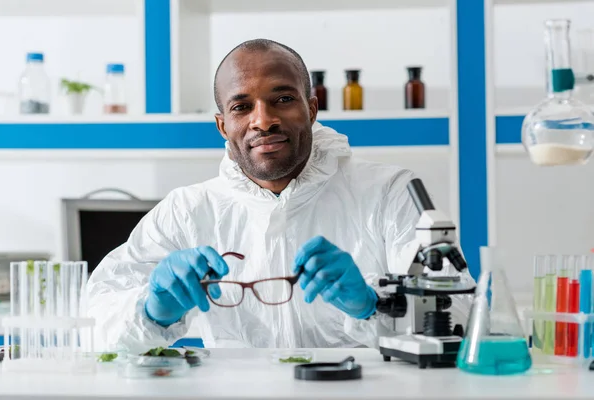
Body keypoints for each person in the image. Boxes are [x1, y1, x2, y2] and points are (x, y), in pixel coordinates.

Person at [86, 38, 474, 353]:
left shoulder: (389, 192)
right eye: (241, 106)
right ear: (223, 125)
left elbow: (460, 316)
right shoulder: (187, 211)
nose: (263, 120)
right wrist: (153, 311)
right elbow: (93, 326)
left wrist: (375, 303)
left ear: (311, 108)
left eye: (283, 99)